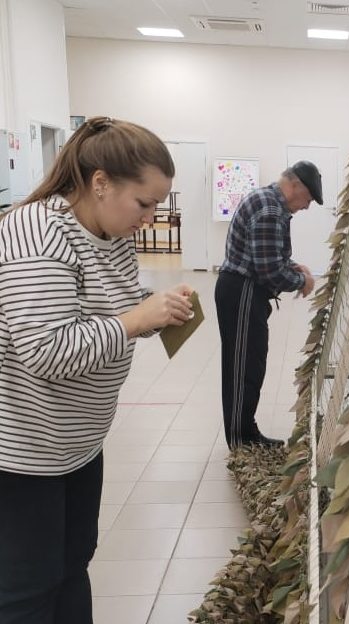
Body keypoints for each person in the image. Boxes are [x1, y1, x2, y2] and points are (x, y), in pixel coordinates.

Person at [0, 116, 195, 623]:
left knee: (71, 565)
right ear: (101, 183)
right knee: (26, 588)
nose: (150, 217)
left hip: (77, 444)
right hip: (22, 454)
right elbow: (44, 350)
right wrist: (136, 319)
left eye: (158, 204)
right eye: (144, 203)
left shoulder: (112, 232)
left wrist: (159, 311)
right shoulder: (36, 233)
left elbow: (118, 305)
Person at [215, 162, 321, 449]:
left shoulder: (267, 201)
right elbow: (268, 270)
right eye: (309, 199)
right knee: (243, 369)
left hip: (243, 290)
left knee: (250, 365)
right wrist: (301, 281)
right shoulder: (271, 209)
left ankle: (246, 431)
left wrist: (292, 266)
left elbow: (267, 255)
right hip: (242, 291)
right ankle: (241, 440)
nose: (307, 207)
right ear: (296, 185)